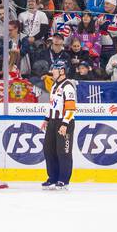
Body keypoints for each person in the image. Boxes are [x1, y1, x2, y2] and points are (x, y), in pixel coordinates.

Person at [40, 58, 76, 190]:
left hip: (64, 123)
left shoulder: (68, 86)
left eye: (54, 69)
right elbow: (52, 105)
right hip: (53, 122)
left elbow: (71, 108)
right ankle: (53, 177)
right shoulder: (55, 85)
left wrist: (65, 124)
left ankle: (63, 180)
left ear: (62, 70)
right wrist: (46, 119)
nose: (52, 71)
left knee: (63, 152)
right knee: (49, 150)